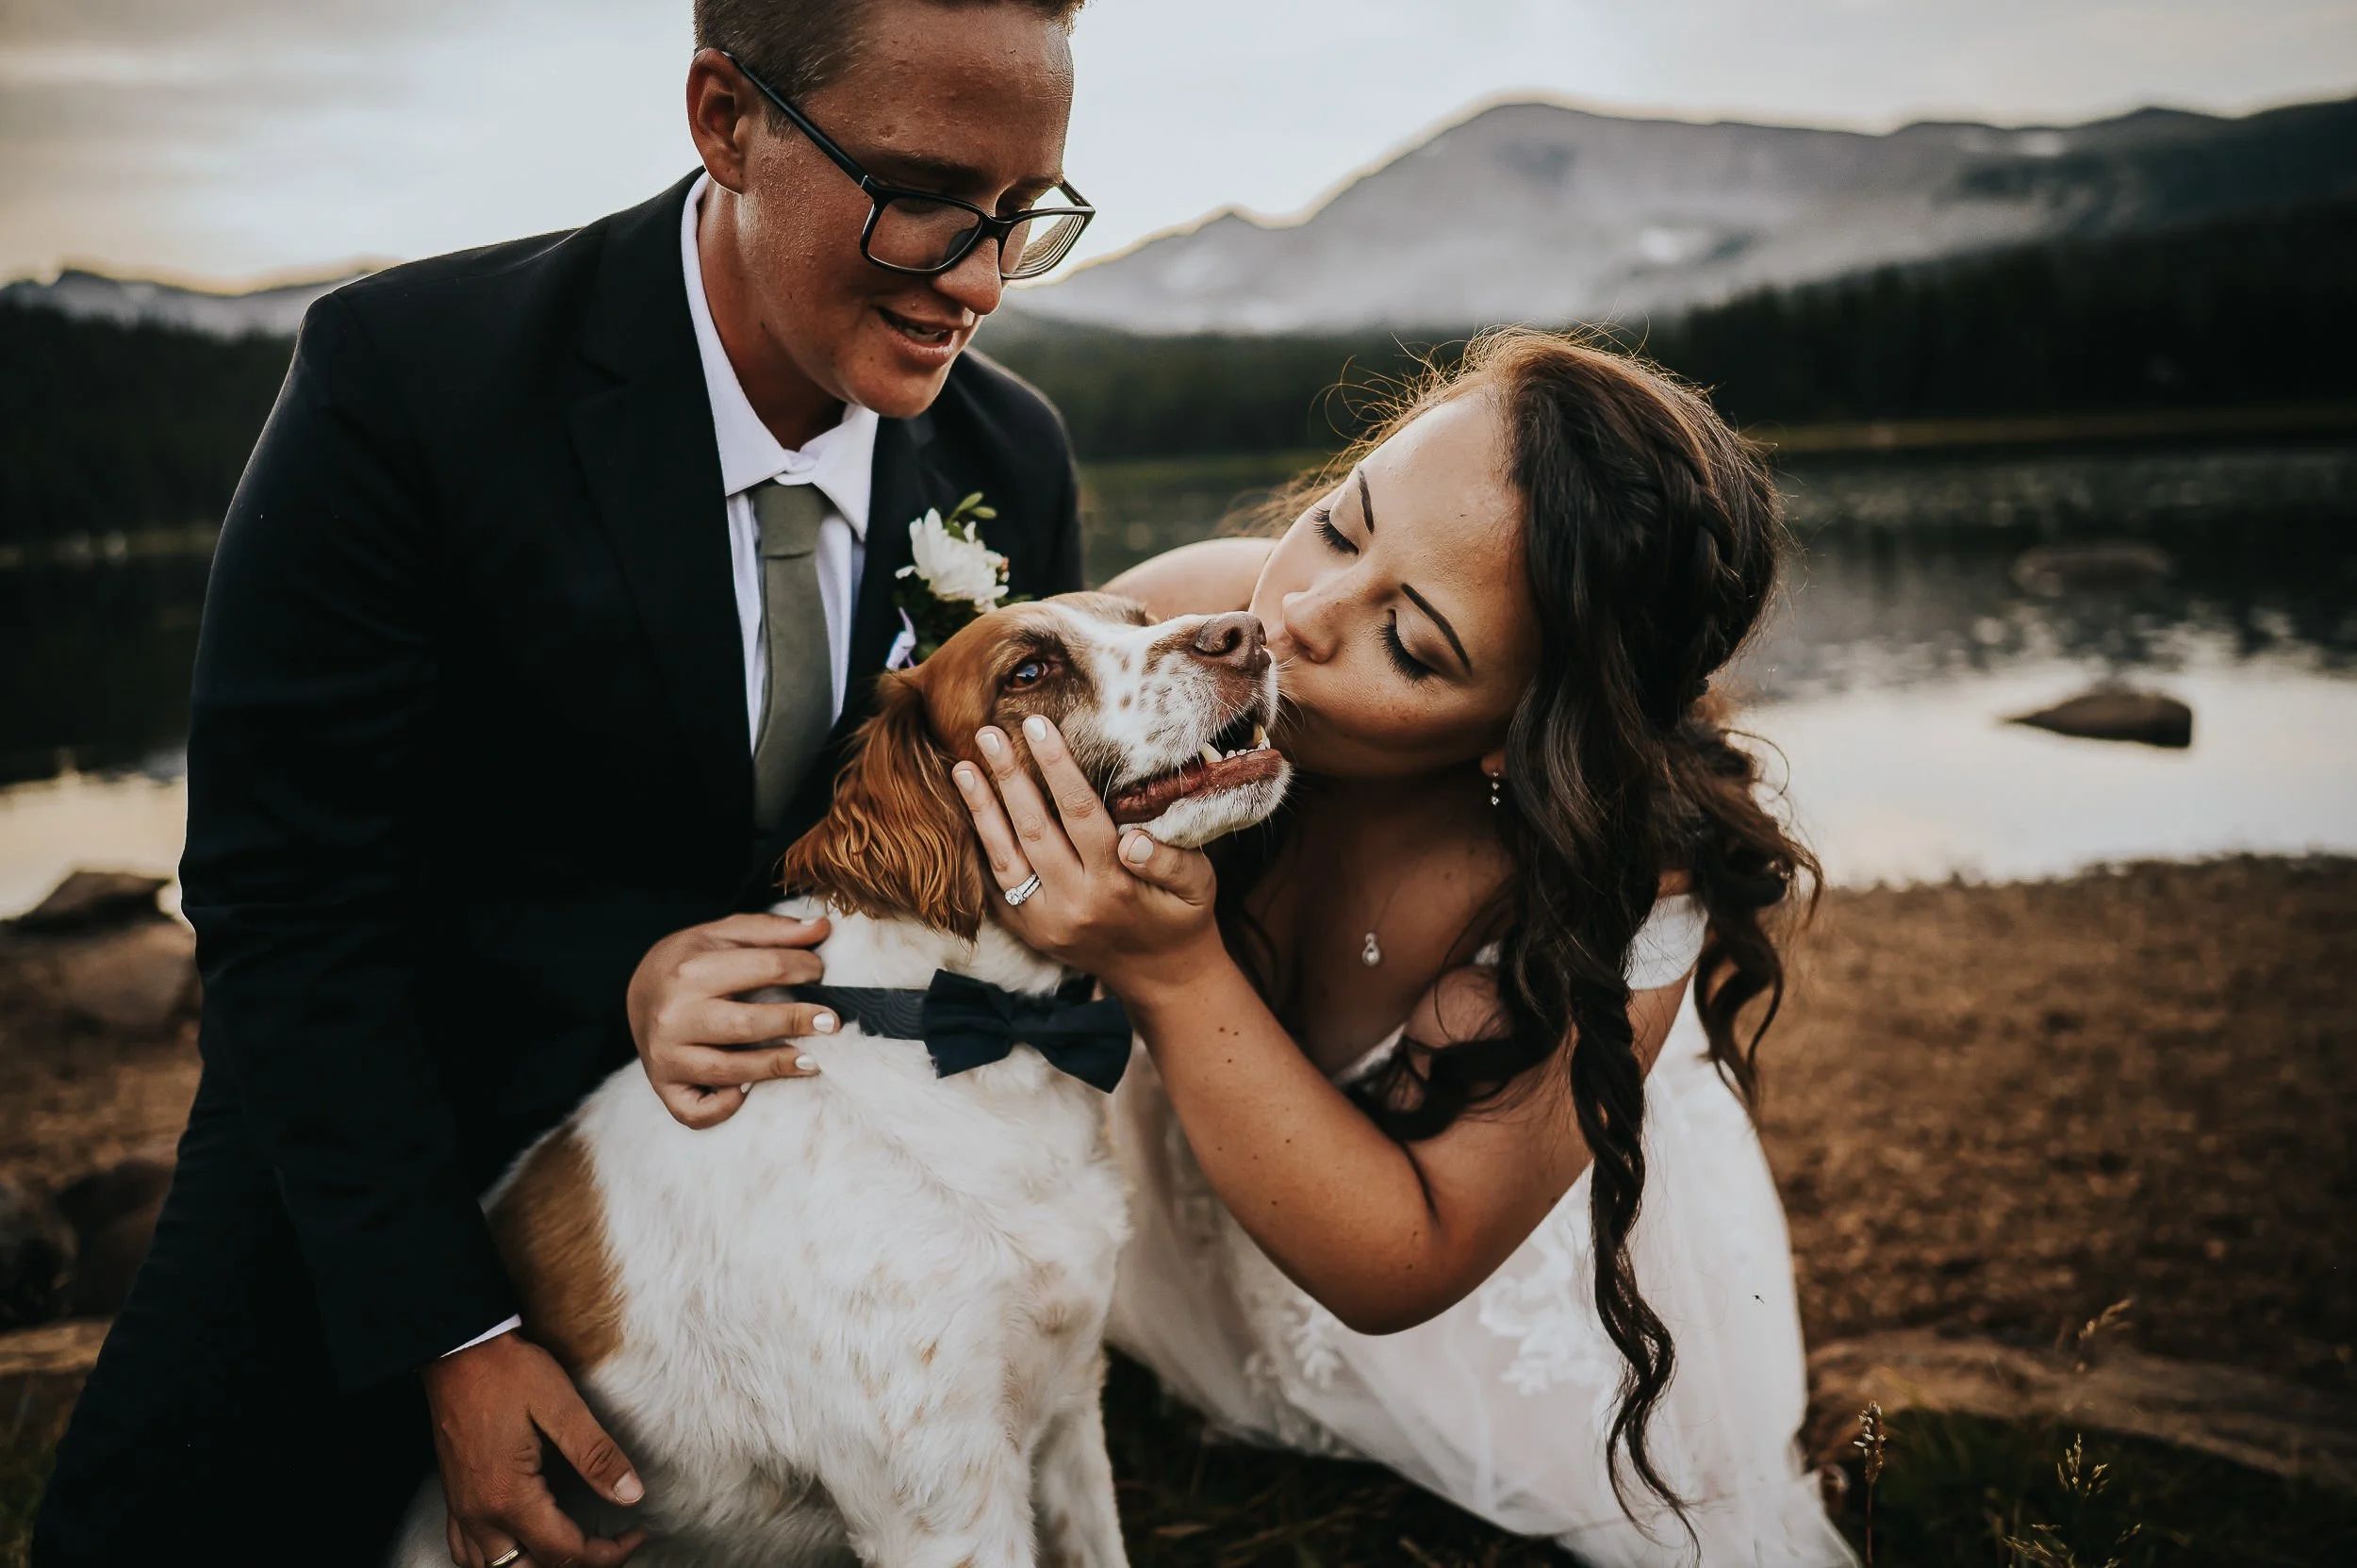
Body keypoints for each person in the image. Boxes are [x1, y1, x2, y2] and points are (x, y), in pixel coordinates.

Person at [32, 2, 1092, 1563]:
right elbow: (283, 897)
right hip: (388, 1182)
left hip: (810, 1251)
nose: (982, 280)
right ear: (727, 120)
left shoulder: (1015, 458)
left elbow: (992, 912)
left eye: (1025, 214)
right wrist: (451, 1337)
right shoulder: (408, 381)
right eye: (927, 197)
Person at [949, 331, 1861, 1564]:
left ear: (1517, 737)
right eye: (1340, 520)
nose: (1297, 617)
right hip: (1189, 1250)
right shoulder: (1177, 628)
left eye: (1413, 643)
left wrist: (1170, 968)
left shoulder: (1617, 882)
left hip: (1460, 1298)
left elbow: (1407, 1257)